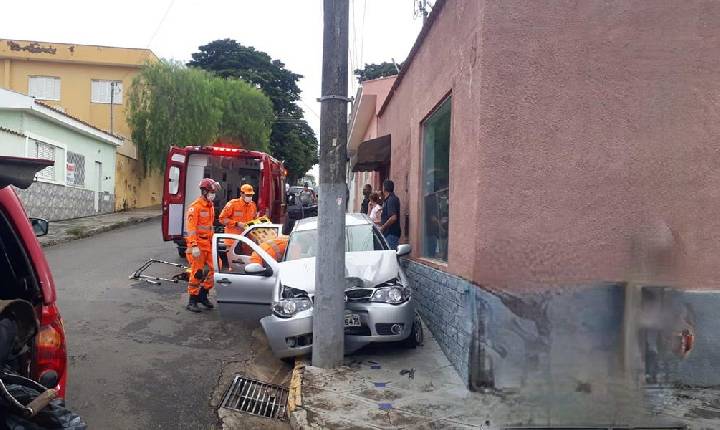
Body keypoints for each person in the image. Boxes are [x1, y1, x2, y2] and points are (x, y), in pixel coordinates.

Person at [185, 178, 220, 313]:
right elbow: (191, 228)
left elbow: (209, 227)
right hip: (198, 244)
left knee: (216, 268)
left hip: (208, 243)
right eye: (212, 192)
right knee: (197, 272)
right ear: (204, 192)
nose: (213, 194)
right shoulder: (196, 207)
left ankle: (203, 294)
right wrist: (194, 246)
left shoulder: (209, 205)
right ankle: (192, 300)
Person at [380, 180, 401, 250]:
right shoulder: (389, 199)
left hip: (391, 233)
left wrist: (383, 227)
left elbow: (393, 217)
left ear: (384, 188)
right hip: (388, 234)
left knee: (390, 255)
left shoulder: (391, 199)